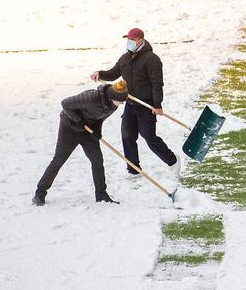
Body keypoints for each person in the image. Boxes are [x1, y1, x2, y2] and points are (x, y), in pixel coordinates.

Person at [90, 28, 179, 177]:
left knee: (149, 137)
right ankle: (134, 169)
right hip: (130, 103)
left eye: (132, 39)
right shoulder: (125, 58)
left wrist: (157, 104)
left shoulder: (152, 59)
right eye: (128, 39)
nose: (129, 42)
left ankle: (173, 161)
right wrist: (100, 73)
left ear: (140, 41)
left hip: (146, 105)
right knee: (127, 135)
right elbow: (113, 73)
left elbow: (157, 83)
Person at [34, 81, 130, 205]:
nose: (122, 103)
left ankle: (101, 195)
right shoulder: (91, 97)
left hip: (87, 131)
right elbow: (65, 103)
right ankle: (39, 193)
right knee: (59, 159)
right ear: (113, 97)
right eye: (121, 100)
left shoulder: (113, 105)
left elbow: (100, 118)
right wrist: (78, 121)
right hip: (69, 128)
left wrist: (97, 130)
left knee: (97, 160)